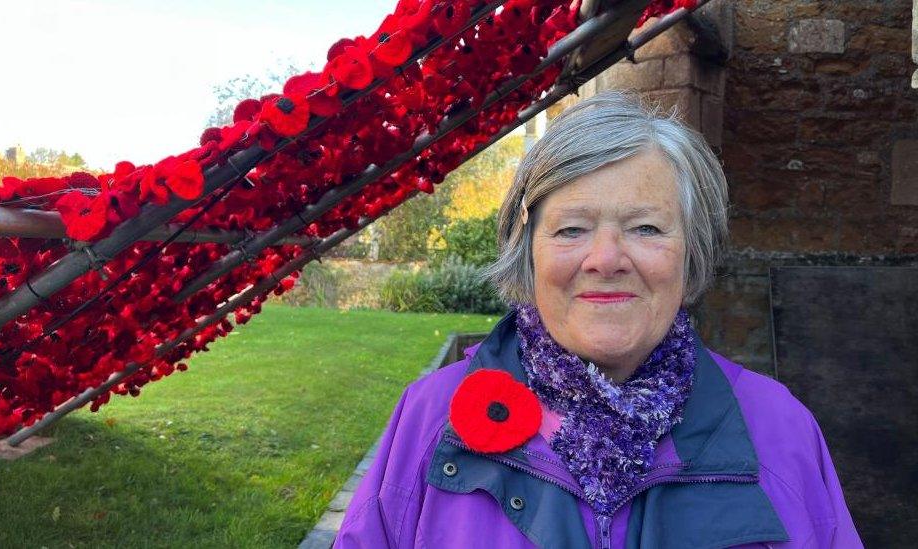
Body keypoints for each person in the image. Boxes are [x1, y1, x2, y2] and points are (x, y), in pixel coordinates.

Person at [334, 91, 862, 548]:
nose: (606, 259)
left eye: (647, 228)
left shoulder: (781, 431)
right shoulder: (431, 422)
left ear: (690, 252)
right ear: (529, 253)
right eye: (571, 230)